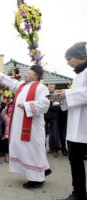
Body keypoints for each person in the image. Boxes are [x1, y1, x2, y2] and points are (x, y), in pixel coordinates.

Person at [0, 65, 51, 189]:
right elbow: (11, 82)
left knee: (32, 150)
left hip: (32, 127)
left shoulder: (41, 87)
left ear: (35, 76)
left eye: (28, 73)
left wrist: (27, 106)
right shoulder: (22, 86)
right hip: (20, 126)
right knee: (28, 149)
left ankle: (36, 180)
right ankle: (43, 170)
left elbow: (45, 104)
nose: (25, 74)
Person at [54, 42, 87, 200]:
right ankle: (78, 192)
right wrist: (61, 97)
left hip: (85, 125)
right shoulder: (78, 76)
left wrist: (67, 93)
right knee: (75, 161)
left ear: (80, 57)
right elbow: (75, 96)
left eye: (69, 58)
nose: (67, 62)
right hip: (74, 127)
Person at [44, 83, 61, 157]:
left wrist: (47, 107)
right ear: (47, 87)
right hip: (45, 117)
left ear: (54, 88)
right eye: (49, 87)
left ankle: (56, 149)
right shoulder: (44, 95)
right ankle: (47, 148)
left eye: (52, 87)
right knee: (43, 134)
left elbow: (58, 108)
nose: (51, 88)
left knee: (54, 133)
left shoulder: (56, 95)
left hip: (54, 117)